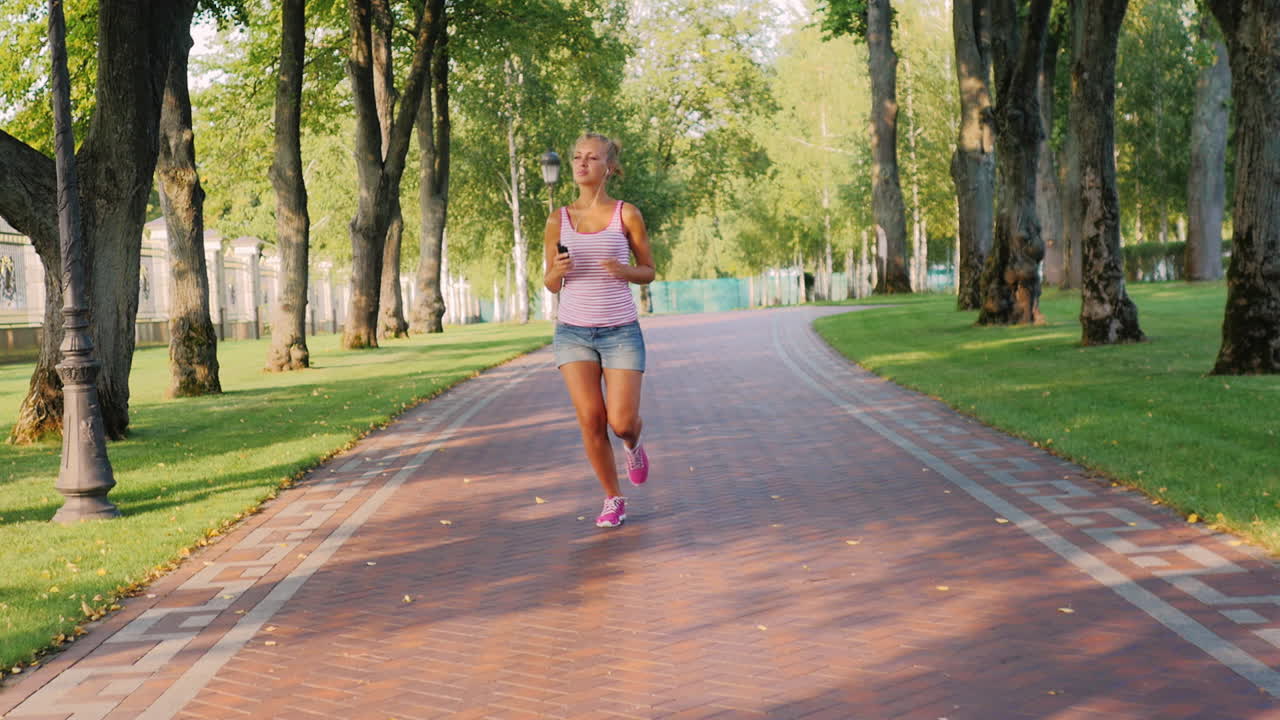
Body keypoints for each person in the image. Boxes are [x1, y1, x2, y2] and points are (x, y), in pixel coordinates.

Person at [544, 132, 655, 528]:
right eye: (577, 157)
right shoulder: (558, 219)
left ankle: (633, 443)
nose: (582, 163)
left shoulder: (627, 214)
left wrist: (624, 270)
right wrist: (556, 272)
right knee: (591, 419)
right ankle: (613, 498)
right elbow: (551, 284)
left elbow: (649, 270)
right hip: (573, 333)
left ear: (609, 167)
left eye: (592, 157)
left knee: (620, 422)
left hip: (620, 331)